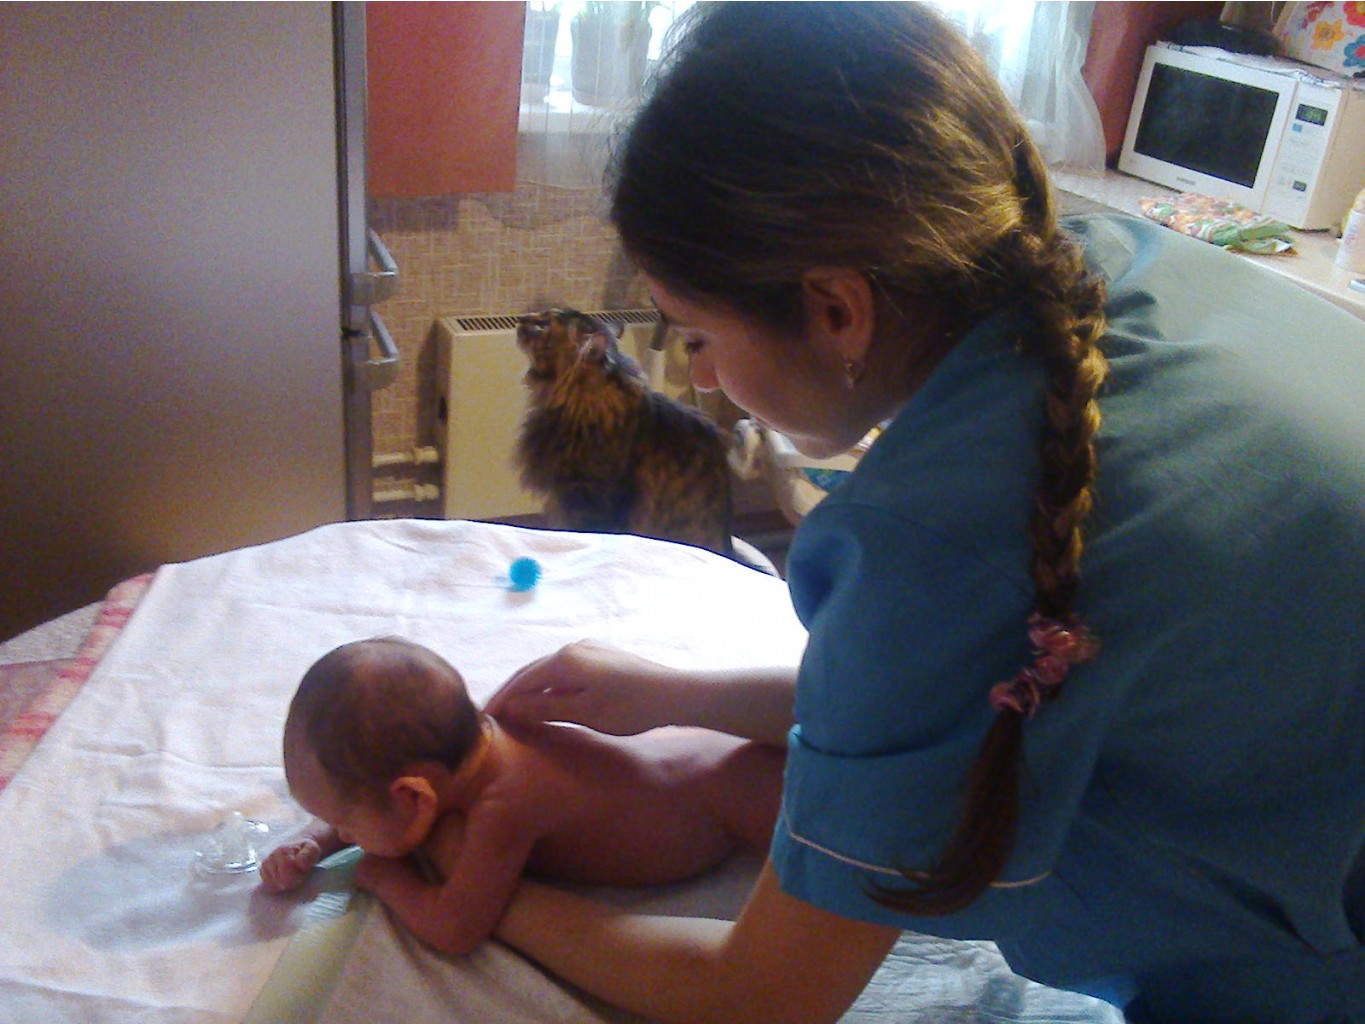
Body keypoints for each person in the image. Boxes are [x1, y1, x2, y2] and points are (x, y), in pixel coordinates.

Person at [478, 3, 1365, 1023]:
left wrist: (488, 895)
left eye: (696, 337)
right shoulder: (1118, 262)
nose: (704, 379)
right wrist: (675, 694)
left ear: (837, 309)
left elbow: (760, 997)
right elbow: (969, 686)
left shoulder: (947, 528)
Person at [260, 636, 782, 955]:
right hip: (700, 756)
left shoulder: (504, 807)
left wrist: (383, 877)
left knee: (819, 826)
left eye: (343, 824)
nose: (344, 835)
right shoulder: (482, 739)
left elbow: (455, 929)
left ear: (414, 798)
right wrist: (315, 843)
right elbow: (368, 797)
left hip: (726, 807)